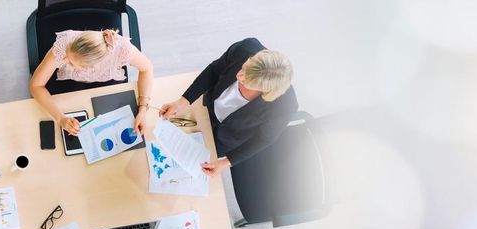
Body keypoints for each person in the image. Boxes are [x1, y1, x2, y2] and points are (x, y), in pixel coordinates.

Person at [158, 38, 298, 177]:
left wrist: (226, 162)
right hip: (206, 109)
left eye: (246, 81)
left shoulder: (284, 106)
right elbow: (214, 71)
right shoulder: (245, 49)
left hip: (227, 137)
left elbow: (264, 139)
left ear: (265, 91)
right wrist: (183, 101)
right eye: (244, 67)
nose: (239, 76)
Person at [30, 29, 155, 136]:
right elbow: (35, 85)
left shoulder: (123, 48)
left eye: (71, 63)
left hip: (104, 87)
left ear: (90, 67)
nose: (63, 60)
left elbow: (147, 68)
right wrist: (60, 118)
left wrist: (142, 110)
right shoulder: (66, 46)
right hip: (71, 85)